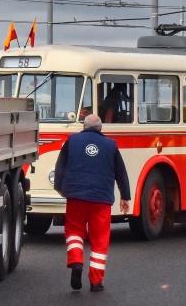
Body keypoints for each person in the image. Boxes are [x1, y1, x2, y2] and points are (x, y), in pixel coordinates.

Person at [53, 114, 131, 292]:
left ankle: (76, 261)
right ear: (100, 128)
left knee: (74, 231)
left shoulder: (72, 141)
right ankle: (96, 282)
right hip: (101, 200)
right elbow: (121, 173)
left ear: (84, 126)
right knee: (100, 239)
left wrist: (61, 188)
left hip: (76, 197)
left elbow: (60, 167)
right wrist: (125, 197)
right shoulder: (111, 146)